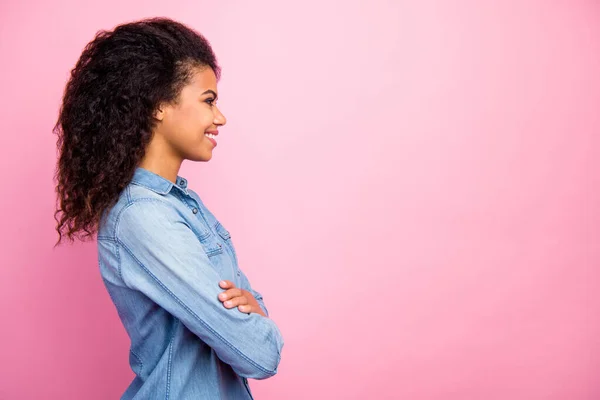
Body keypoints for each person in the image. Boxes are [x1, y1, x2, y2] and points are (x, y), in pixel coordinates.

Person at [53, 17, 284, 399]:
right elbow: (259, 354)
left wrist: (254, 313)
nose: (220, 117)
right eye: (208, 100)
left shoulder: (180, 205)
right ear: (159, 104)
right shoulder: (144, 217)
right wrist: (261, 324)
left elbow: (248, 303)